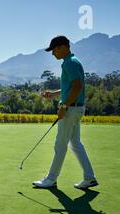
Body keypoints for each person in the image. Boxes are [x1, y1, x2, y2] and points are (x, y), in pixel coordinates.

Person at [33, 36, 98, 190]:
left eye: (54, 50)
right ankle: (89, 177)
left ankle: (51, 179)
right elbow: (71, 87)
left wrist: (64, 106)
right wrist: (55, 94)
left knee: (60, 145)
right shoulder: (73, 61)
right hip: (76, 108)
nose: (53, 53)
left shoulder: (69, 63)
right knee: (75, 143)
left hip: (71, 109)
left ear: (62, 47)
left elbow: (77, 86)